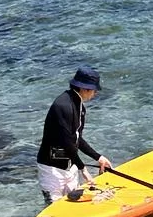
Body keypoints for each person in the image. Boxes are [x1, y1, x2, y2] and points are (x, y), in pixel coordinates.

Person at [36, 65, 112, 203]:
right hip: (51, 169)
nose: (95, 94)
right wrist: (83, 169)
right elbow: (66, 142)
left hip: (70, 166)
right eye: (94, 90)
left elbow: (77, 138)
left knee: (74, 205)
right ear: (84, 88)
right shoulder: (62, 106)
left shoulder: (79, 106)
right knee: (54, 208)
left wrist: (98, 157)